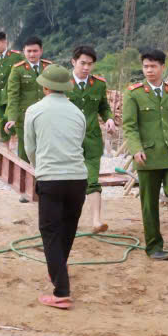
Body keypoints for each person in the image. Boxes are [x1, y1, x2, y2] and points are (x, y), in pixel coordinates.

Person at [122, 48, 168, 261]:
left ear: (163, 67)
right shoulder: (134, 93)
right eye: (146, 66)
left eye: (153, 66)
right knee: (149, 203)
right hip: (147, 156)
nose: (149, 70)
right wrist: (136, 149)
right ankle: (154, 246)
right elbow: (129, 126)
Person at [24, 65, 87, 309]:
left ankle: (61, 292)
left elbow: (30, 147)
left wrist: (39, 167)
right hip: (78, 179)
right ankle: (57, 270)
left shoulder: (34, 110)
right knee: (67, 229)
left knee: (50, 232)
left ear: (45, 87)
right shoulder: (78, 113)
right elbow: (79, 143)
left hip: (51, 178)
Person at [67, 46, 115, 233]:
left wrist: (109, 118)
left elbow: (103, 107)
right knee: (70, 181)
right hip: (69, 141)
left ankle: (96, 221)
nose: (86, 67)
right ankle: (69, 220)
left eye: (90, 64)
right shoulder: (62, 83)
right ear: (73, 62)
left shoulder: (99, 84)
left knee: (92, 180)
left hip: (92, 140)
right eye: (83, 63)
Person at [4, 36, 51, 166]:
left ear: (41, 51)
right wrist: (12, 118)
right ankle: (23, 175)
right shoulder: (17, 69)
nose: (32, 54)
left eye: (35, 51)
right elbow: (13, 95)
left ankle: (43, 175)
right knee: (24, 150)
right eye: (29, 51)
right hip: (24, 117)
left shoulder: (49, 67)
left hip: (46, 116)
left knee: (45, 148)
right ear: (24, 51)